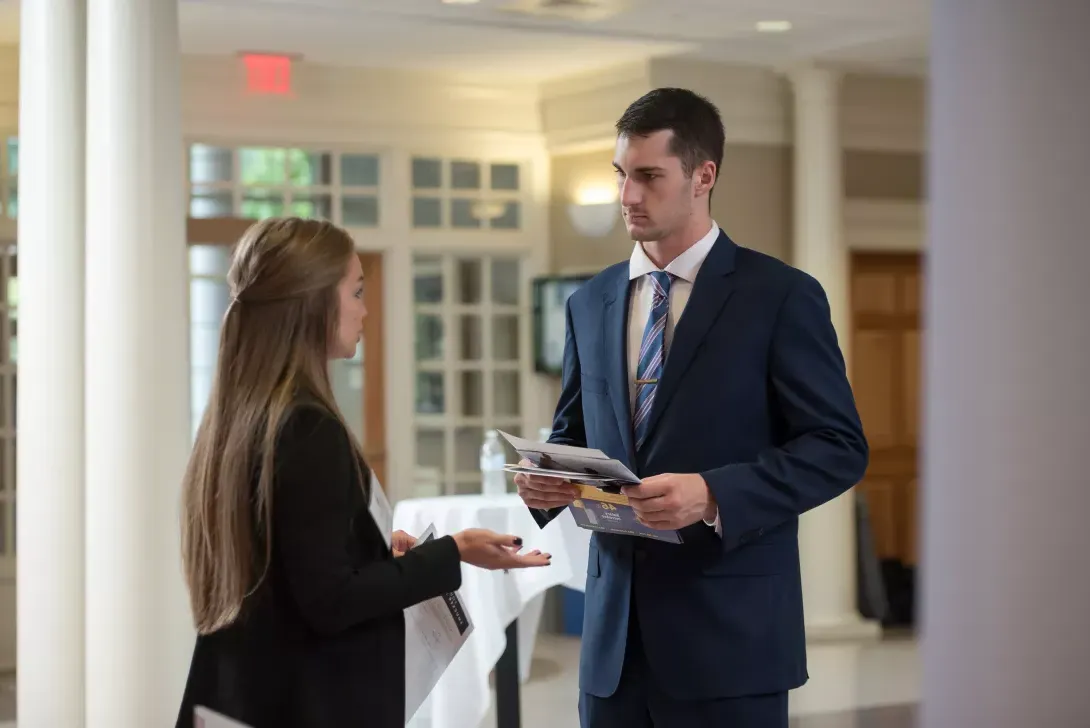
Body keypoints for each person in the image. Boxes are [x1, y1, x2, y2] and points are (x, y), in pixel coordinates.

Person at [514, 88, 868, 728]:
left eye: (649, 176)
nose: (627, 195)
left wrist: (712, 494)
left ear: (704, 176)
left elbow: (837, 448)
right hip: (613, 651)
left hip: (731, 647)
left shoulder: (781, 296)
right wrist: (544, 484)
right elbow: (572, 431)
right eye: (622, 174)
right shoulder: (589, 302)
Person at [176, 217, 550, 728]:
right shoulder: (308, 427)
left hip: (245, 687)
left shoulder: (242, 418)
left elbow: (293, 564)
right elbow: (331, 601)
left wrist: (368, 548)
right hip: (308, 699)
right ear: (314, 305)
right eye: (355, 292)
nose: (365, 310)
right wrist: (455, 549)